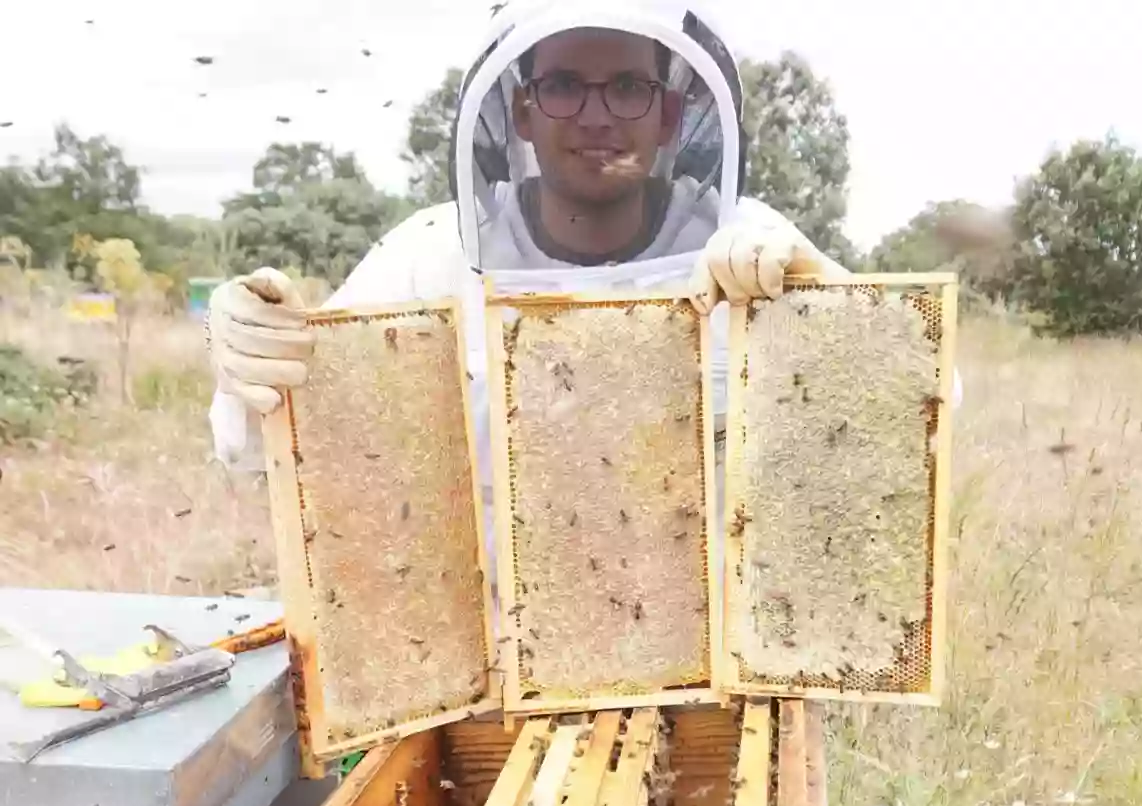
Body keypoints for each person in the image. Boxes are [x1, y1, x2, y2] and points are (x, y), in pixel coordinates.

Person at [207, 0, 842, 471]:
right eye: (563, 85)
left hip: (711, 645)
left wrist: (842, 314)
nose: (596, 119)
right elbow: (266, 452)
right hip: (484, 637)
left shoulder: (747, 241)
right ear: (521, 113)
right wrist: (249, 348)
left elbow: (915, 411)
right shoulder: (428, 257)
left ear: (671, 116)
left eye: (629, 87)